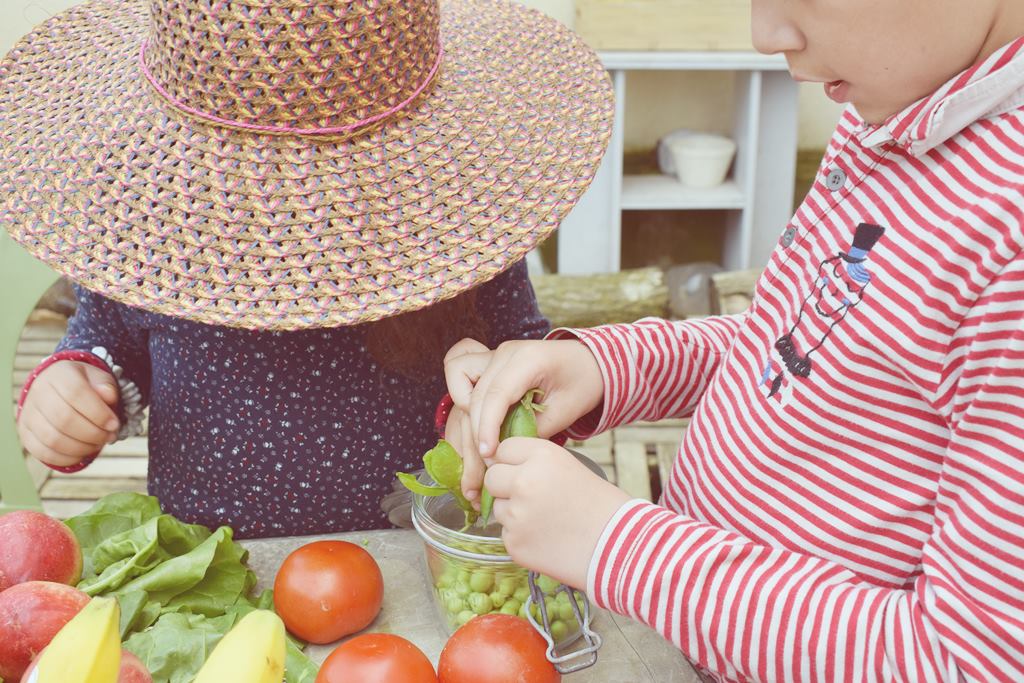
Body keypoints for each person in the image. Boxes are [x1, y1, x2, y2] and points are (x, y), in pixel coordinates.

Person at [441, 0, 1024, 680]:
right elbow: (800, 345)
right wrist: (607, 365)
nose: (767, 34)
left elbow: (966, 662)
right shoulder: (900, 111)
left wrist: (619, 545)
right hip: (677, 636)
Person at [2, 0, 613, 538]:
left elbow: (526, 353)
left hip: (420, 548)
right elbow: (105, 337)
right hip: (214, 562)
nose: (293, 216)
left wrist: (496, 410)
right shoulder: (148, 207)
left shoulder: (459, 212)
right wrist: (73, 389)